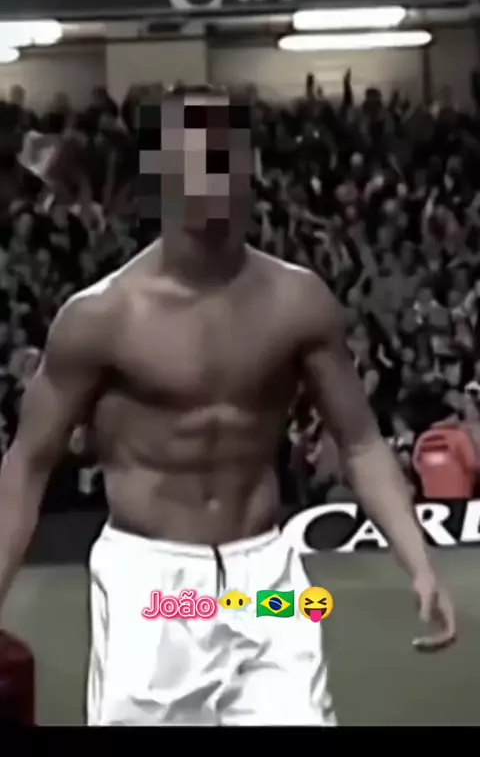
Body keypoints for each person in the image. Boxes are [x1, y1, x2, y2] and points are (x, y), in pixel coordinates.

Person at [0, 85, 455, 727]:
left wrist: (419, 561)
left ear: (249, 167)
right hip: (152, 590)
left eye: (222, 153)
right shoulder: (101, 318)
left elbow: (359, 442)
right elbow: (27, 464)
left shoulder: (299, 303)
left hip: (267, 585)